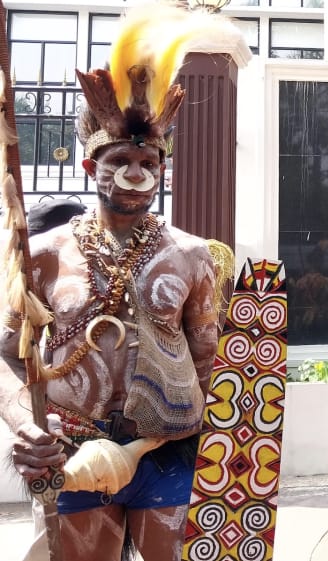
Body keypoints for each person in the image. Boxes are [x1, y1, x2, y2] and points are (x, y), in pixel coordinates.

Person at [0, 6, 233, 561]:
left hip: (168, 453)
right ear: (88, 166)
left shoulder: (192, 256)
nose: (136, 172)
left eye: (148, 159)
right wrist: (24, 426)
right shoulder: (43, 257)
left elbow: (209, 365)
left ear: (164, 169)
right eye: (121, 159)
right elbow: (7, 355)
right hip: (74, 452)